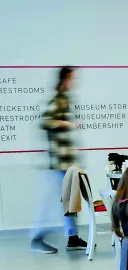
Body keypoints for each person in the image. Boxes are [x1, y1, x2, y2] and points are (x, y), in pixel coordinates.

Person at [31, 66, 87, 254]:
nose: (74, 82)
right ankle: (37, 237)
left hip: (66, 160)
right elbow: (45, 121)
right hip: (59, 161)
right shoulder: (58, 100)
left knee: (69, 199)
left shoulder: (65, 98)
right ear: (64, 79)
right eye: (71, 79)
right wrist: (66, 123)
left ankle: (73, 237)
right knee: (54, 201)